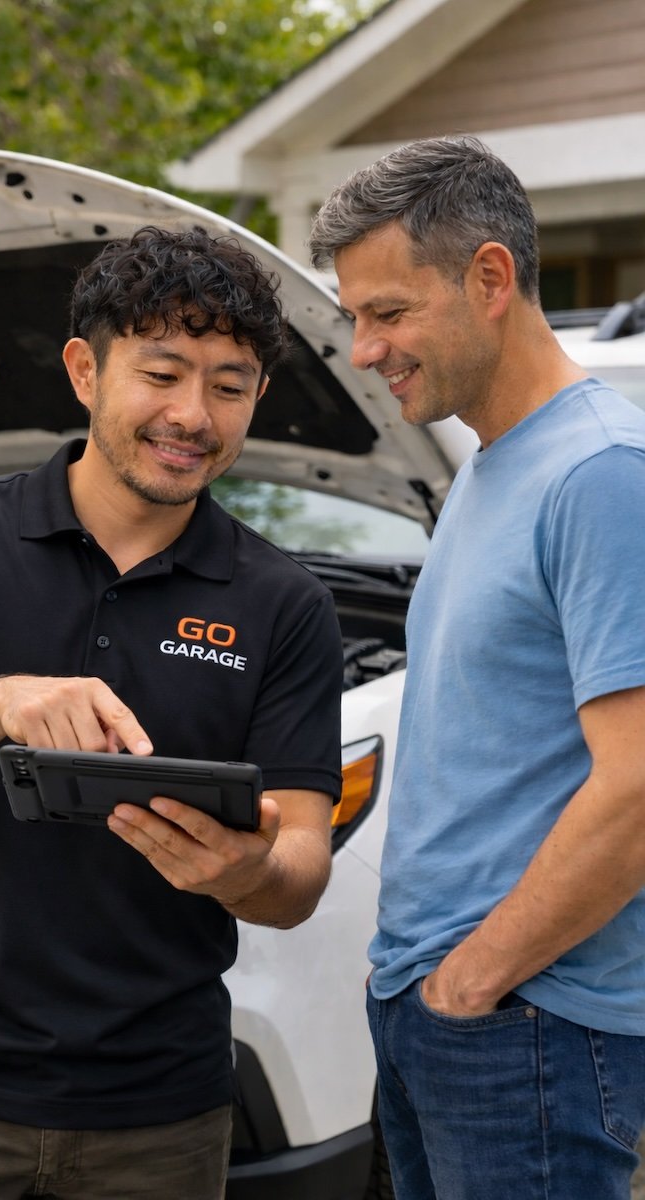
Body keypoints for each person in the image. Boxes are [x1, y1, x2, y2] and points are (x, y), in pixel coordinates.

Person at [0, 225, 343, 1200]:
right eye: (160, 373)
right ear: (84, 368)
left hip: (156, 1122)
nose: (191, 415)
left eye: (228, 386)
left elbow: (301, 872)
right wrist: (2, 701)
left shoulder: (283, 604)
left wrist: (246, 873)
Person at [308, 134, 645, 1200]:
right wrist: (417, 986)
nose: (363, 351)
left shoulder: (598, 473)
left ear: (488, 278)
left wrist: (473, 981)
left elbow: (636, 788)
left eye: (386, 313)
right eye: (353, 318)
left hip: (529, 1027)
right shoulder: (492, 469)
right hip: (446, 1013)